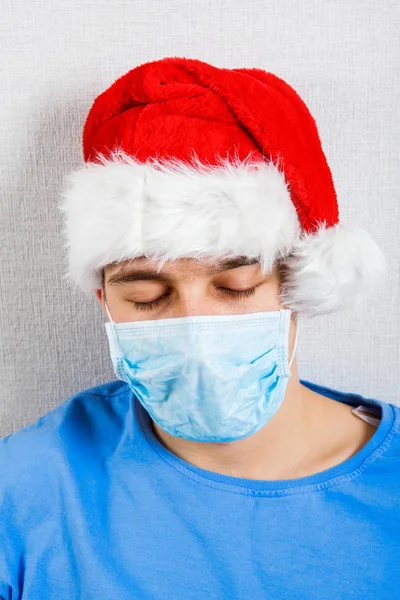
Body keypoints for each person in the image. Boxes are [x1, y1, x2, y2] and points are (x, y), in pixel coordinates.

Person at [0, 56, 399, 600]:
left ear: (299, 284)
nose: (195, 330)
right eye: (146, 296)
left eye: (234, 287)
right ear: (105, 301)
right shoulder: (27, 489)